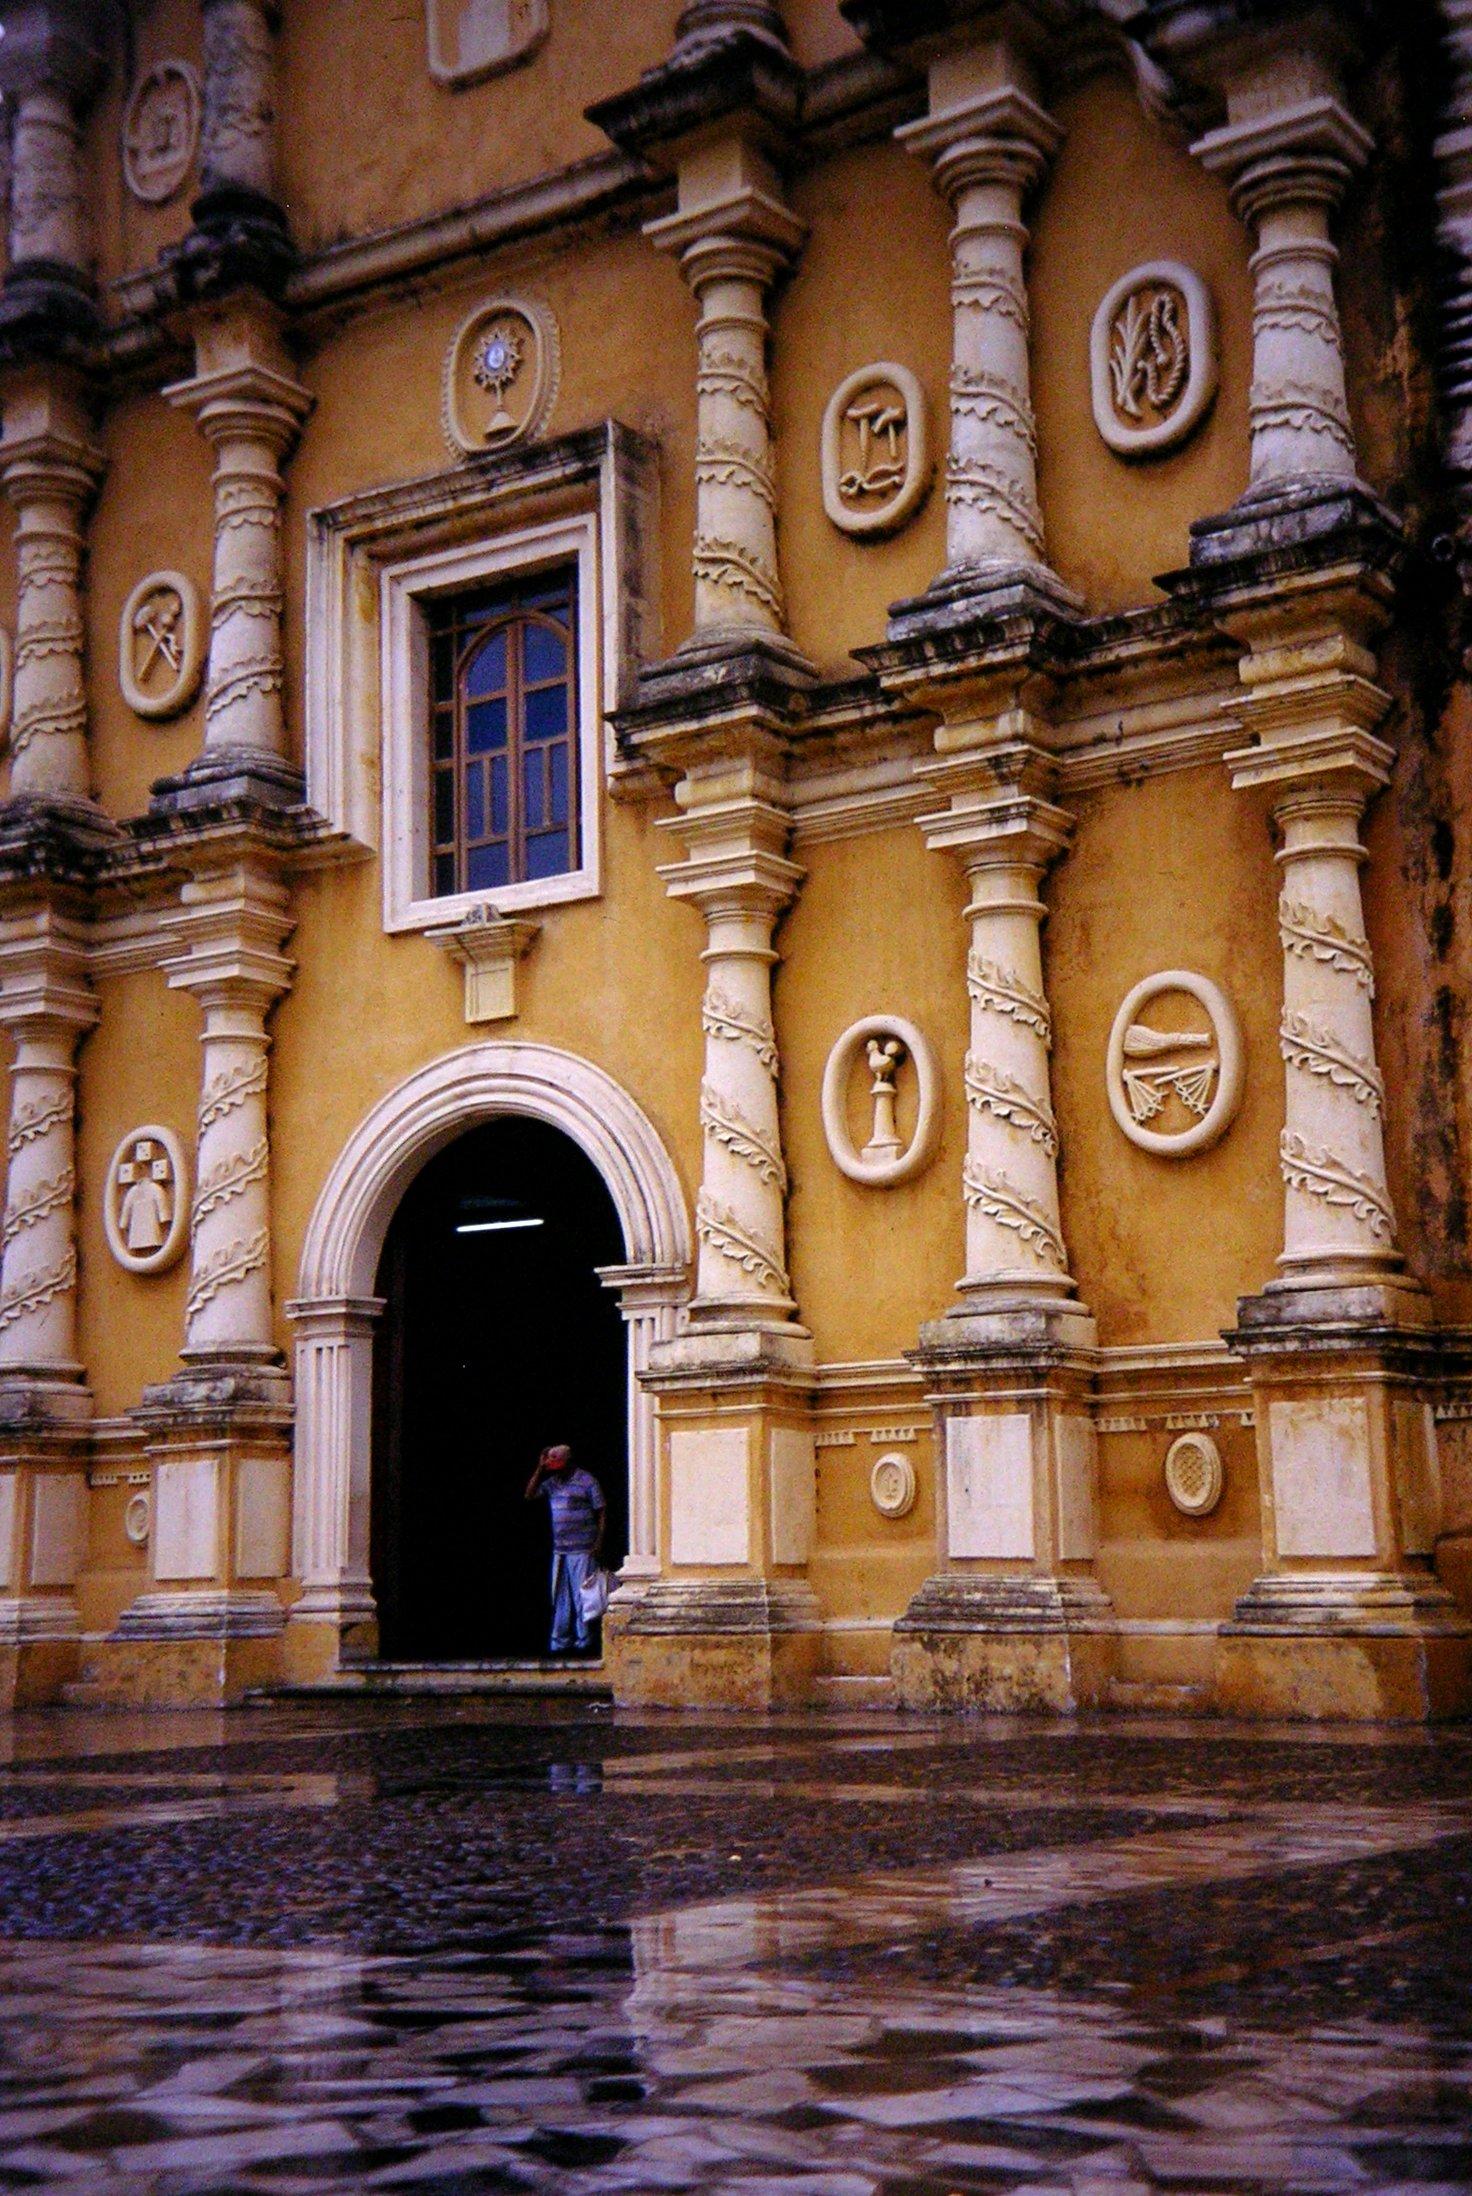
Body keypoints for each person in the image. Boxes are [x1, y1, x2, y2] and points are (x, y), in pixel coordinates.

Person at [524, 1443, 606, 1655]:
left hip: (582, 1548)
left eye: (557, 1464)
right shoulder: (552, 1483)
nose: (555, 1469)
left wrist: (598, 1542)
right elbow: (530, 1494)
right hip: (560, 1549)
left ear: (568, 1462)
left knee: (583, 1597)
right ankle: (560, 1641)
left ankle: (585, 1640)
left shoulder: (586, 1480)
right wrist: (540, 1468)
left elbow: (601, 1511)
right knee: (560, 1597)